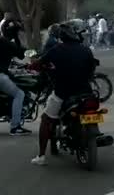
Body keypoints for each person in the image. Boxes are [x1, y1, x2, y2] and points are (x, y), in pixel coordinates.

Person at [30, 23, 96, 166]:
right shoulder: (86, 50)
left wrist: (32, 65)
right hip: (86, 92)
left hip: (63, 93)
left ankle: (41, 156)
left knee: (46, 120)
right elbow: (92, 69)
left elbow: (38, 64)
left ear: (61, 37)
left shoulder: (56, 50)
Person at [0, 20, 31, 135]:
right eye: (15, 31)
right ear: (9, 31)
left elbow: (16, 56)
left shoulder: (4, 41)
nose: (16, 33)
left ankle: (13, 113)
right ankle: (15, 127)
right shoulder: (3, 41)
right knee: (19, 94)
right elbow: (20, 54)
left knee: (19, 86)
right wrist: (18, 39)